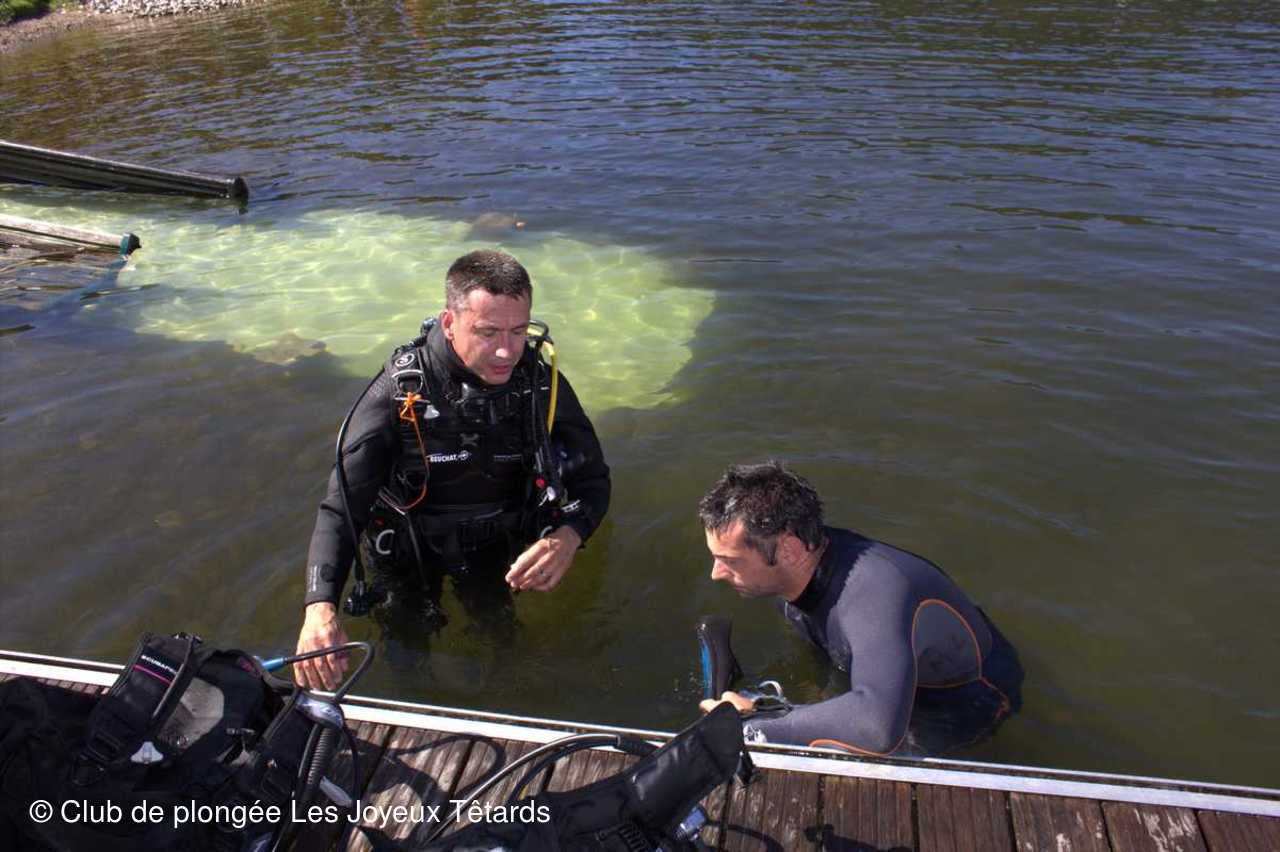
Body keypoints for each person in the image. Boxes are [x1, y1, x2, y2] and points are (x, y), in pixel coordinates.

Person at [294, 250, 611, 690]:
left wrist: (568, 536)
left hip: (494, 550)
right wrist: (319, 608)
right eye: (487, 332)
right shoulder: (396, 393)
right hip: (406, 553)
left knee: (504, 643)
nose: (506, 351)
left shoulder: (538, 383)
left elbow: (593, 479)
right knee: (406, 654)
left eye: (518, 331)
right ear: (449, 323)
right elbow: (340, 510)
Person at [696, 461, 1022, 756]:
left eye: (729, 561)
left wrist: (757, 722)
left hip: (965, 697)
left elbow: (876, 730)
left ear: (789, 550)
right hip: (883, 670)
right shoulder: (789, 573)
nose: (716, 573)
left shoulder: (875, 591)